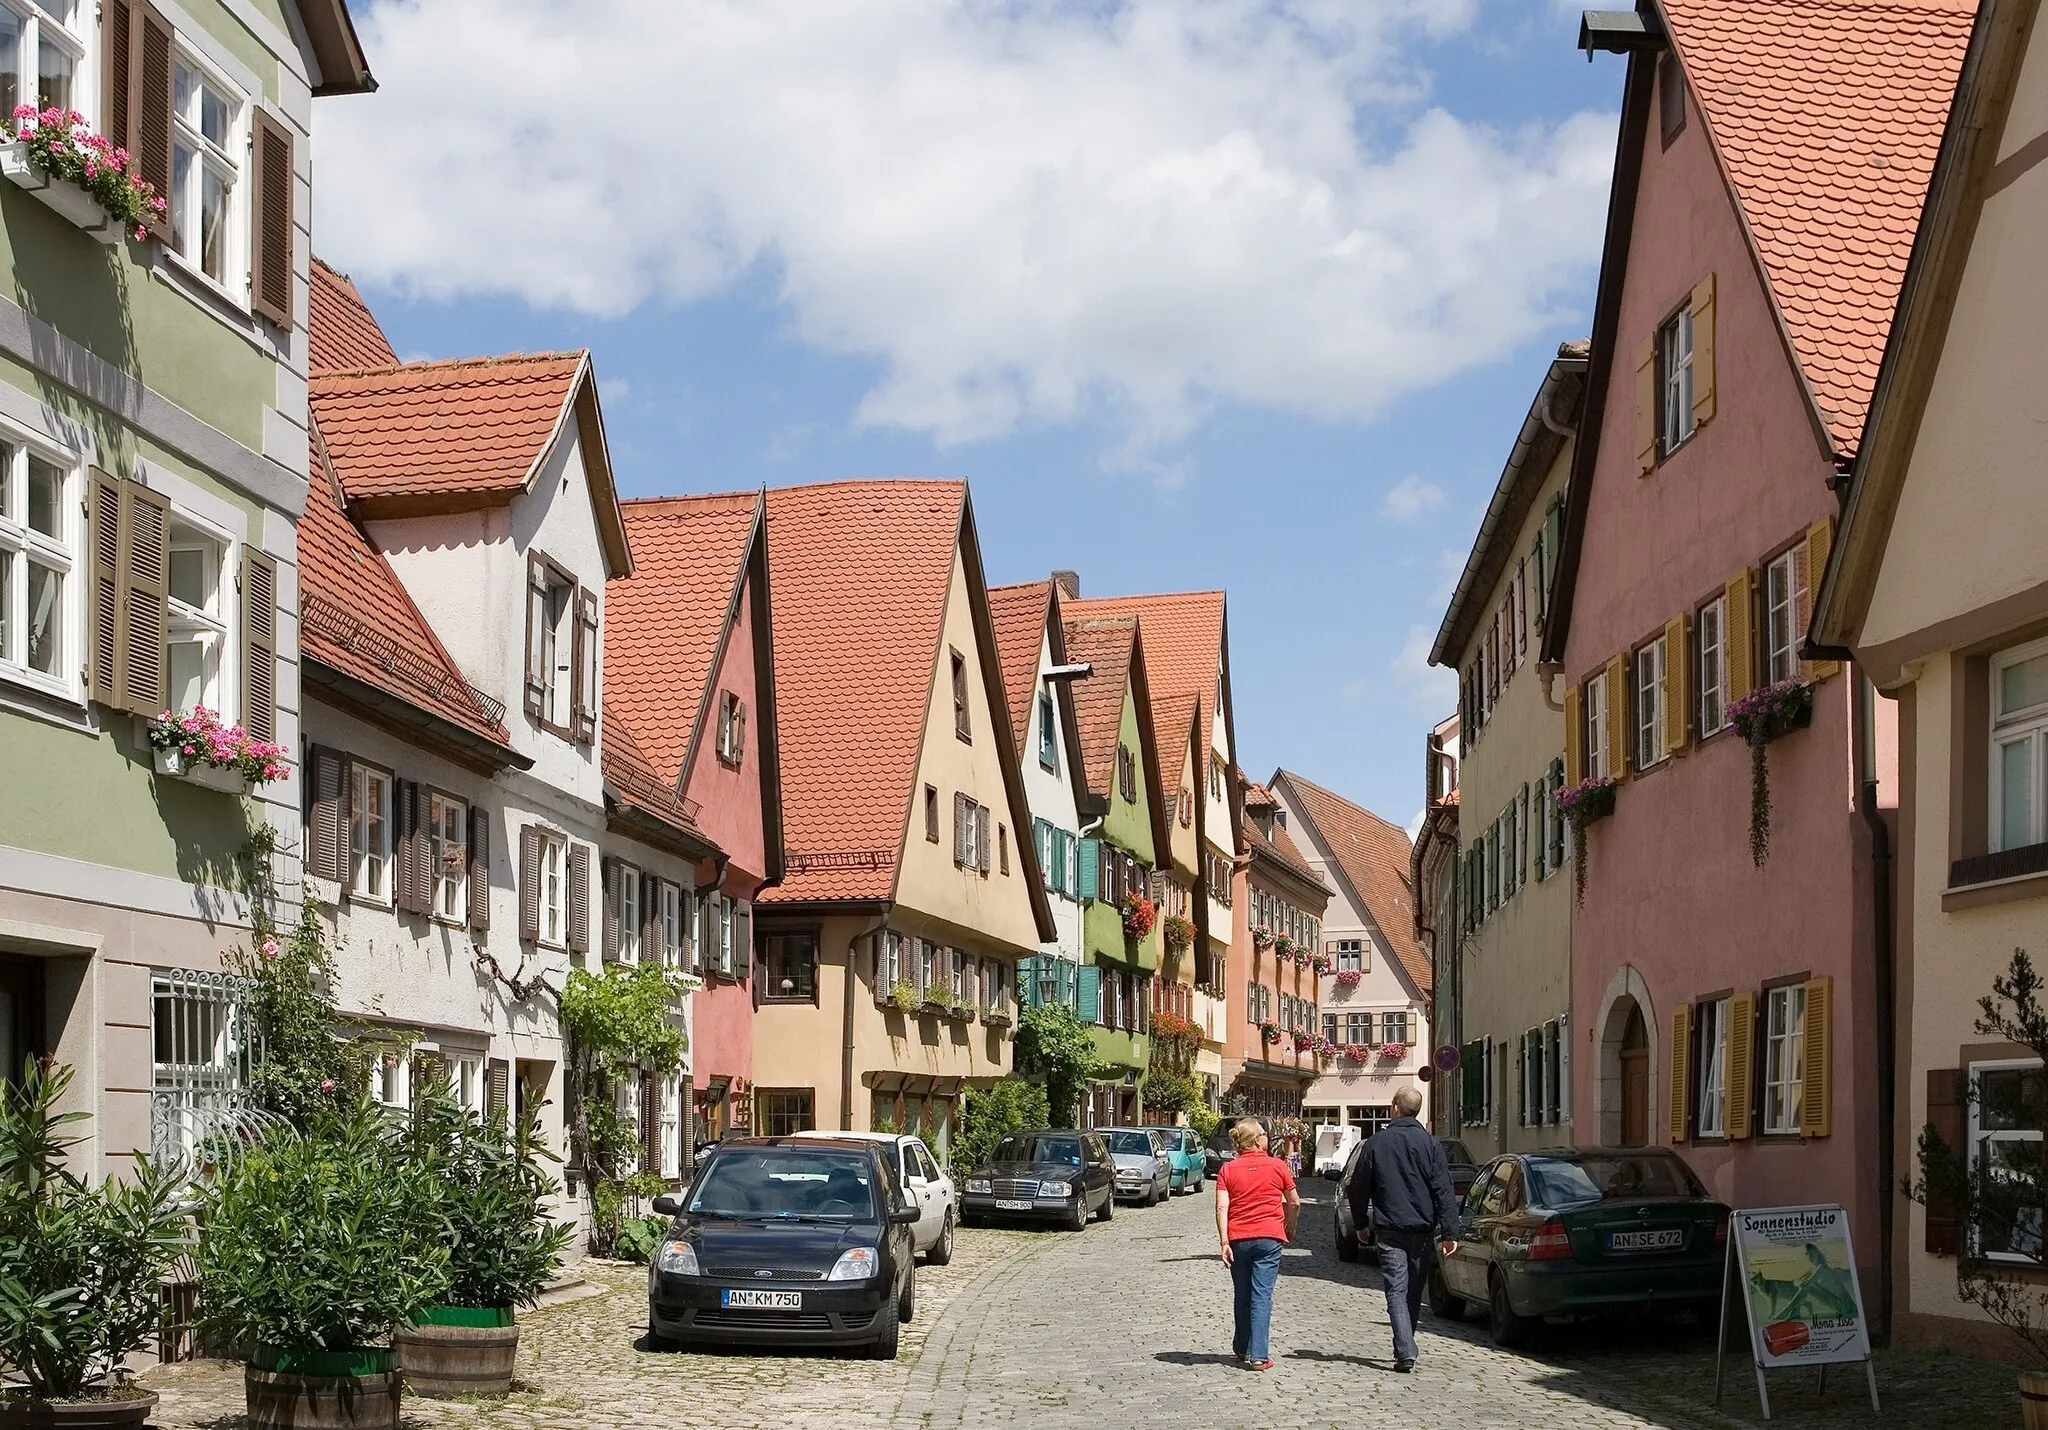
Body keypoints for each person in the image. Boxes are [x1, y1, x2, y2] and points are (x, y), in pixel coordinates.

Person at [1353, 1086, 1459, 1372]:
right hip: (1422, 1228)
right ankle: (1405, 1346)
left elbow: (1359, 1186)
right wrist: (1451, 1232)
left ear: (1396, 1108)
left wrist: (1361, 1223)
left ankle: (1404, 1348)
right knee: (1412, 1290)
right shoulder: (1430, 1144)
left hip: (1390, 1227)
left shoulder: (1376, 1143)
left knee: (1396, 1290)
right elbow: (1443, 1190)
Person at [1214, 1118, 1300, 1370]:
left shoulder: (1228, 1170)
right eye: (1263, 1133)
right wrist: (1290, 1226)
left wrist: (1224, 1241)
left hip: (1239, 1238)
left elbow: (1221, 1207)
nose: (1267, 1137)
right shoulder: (1277, 1166)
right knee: (1262, 1294)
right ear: (1256, 1140)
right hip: (1269, 1237)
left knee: (1242, 1293)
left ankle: (1243, 1347)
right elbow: (1294, 1202)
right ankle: (1259, 1354)